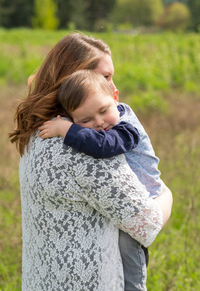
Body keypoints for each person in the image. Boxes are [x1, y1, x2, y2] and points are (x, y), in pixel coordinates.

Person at [9, 33, 173, 291]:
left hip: (43, 279)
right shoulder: (84, 146)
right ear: (75, 80)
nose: (113, 86)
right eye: (105, 77)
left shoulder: (38, 132)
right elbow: (147, 224)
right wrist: (166, 195)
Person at [38, 69, 163, 291]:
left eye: (104, 111)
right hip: (126, 206)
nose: (99, 123)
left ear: (115, 98)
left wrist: (67, 129)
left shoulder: (126, 129)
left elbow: (102, 146)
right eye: (85, 120)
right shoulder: (103, 120)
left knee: (130, 260)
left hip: (147, 200)